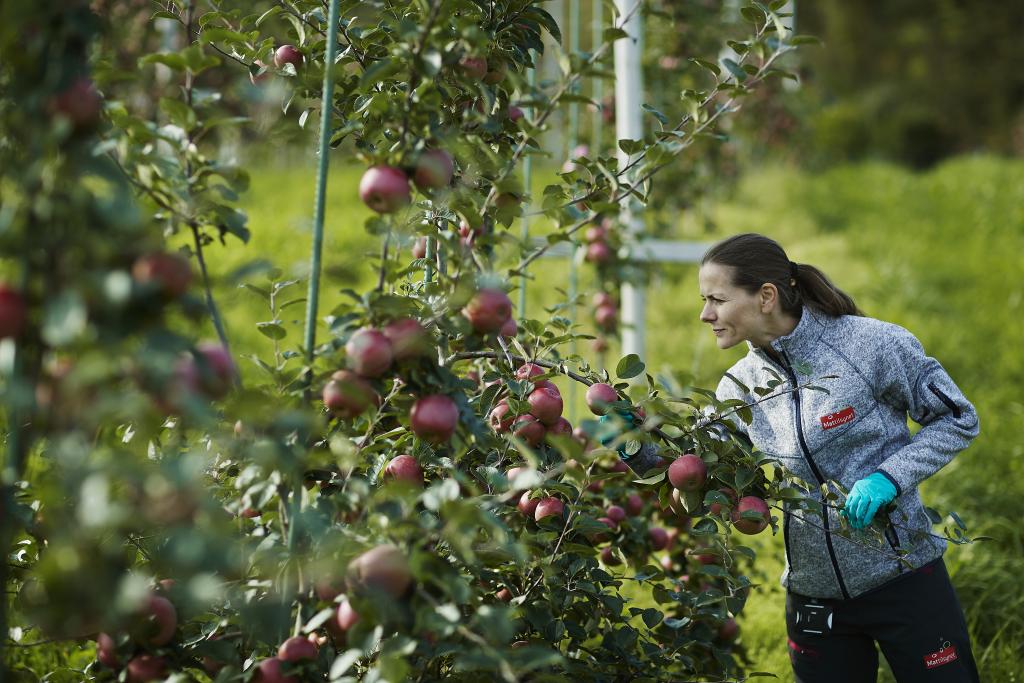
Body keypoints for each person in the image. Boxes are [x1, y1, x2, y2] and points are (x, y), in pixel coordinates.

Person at [697, 233, 979, 682]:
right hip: (814, 594)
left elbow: (958, 418)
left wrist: (888, 477)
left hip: (903, 577)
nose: (705, 314)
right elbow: (696, 468)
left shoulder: (870, 345)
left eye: (717, 299)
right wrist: (633, 444)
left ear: (766, 296)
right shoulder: (739, 387)